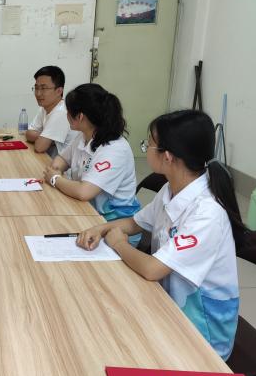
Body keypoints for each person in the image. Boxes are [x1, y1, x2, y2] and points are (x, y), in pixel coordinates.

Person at [76, 110, 246, 360]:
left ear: (167, 157)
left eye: (149, 144)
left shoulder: (207, 213)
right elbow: (135, 222)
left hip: (201, 333)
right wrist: (100, 229)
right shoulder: (172, 188)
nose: (145, 149)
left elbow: (152, 269)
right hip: (166, 302)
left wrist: (119, 244)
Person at [43, 84, 140, 236]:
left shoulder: (115, 149)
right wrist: (56, 170)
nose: (66, 115)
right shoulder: (84, 136)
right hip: (87, 213)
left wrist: (55, 179)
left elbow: (84, 192)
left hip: (113, 228)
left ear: (80, 116)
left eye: (68, 111)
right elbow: (62, 159)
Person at [25, 65, 78, 158]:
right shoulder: (45, 107)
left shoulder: (62, 111)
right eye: (36, 88)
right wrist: (47, 137)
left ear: (59, 91)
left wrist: (44, 137)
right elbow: (29, 133)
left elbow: (39, 147)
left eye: (44, 88)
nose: (38, 93)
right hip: (49, 158)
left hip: (62, 165)